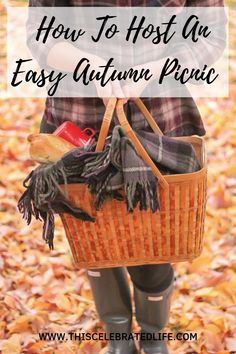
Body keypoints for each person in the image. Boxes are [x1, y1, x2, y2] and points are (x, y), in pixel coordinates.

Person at [27, 0, 225, 353]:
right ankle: (119, 340)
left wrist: (151, 72)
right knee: (95, 235)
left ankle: (153, 339)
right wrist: (91, 67)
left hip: (159, 116)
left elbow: (208, 36)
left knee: (155, 242)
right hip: (80, 114)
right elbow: (40, 34)